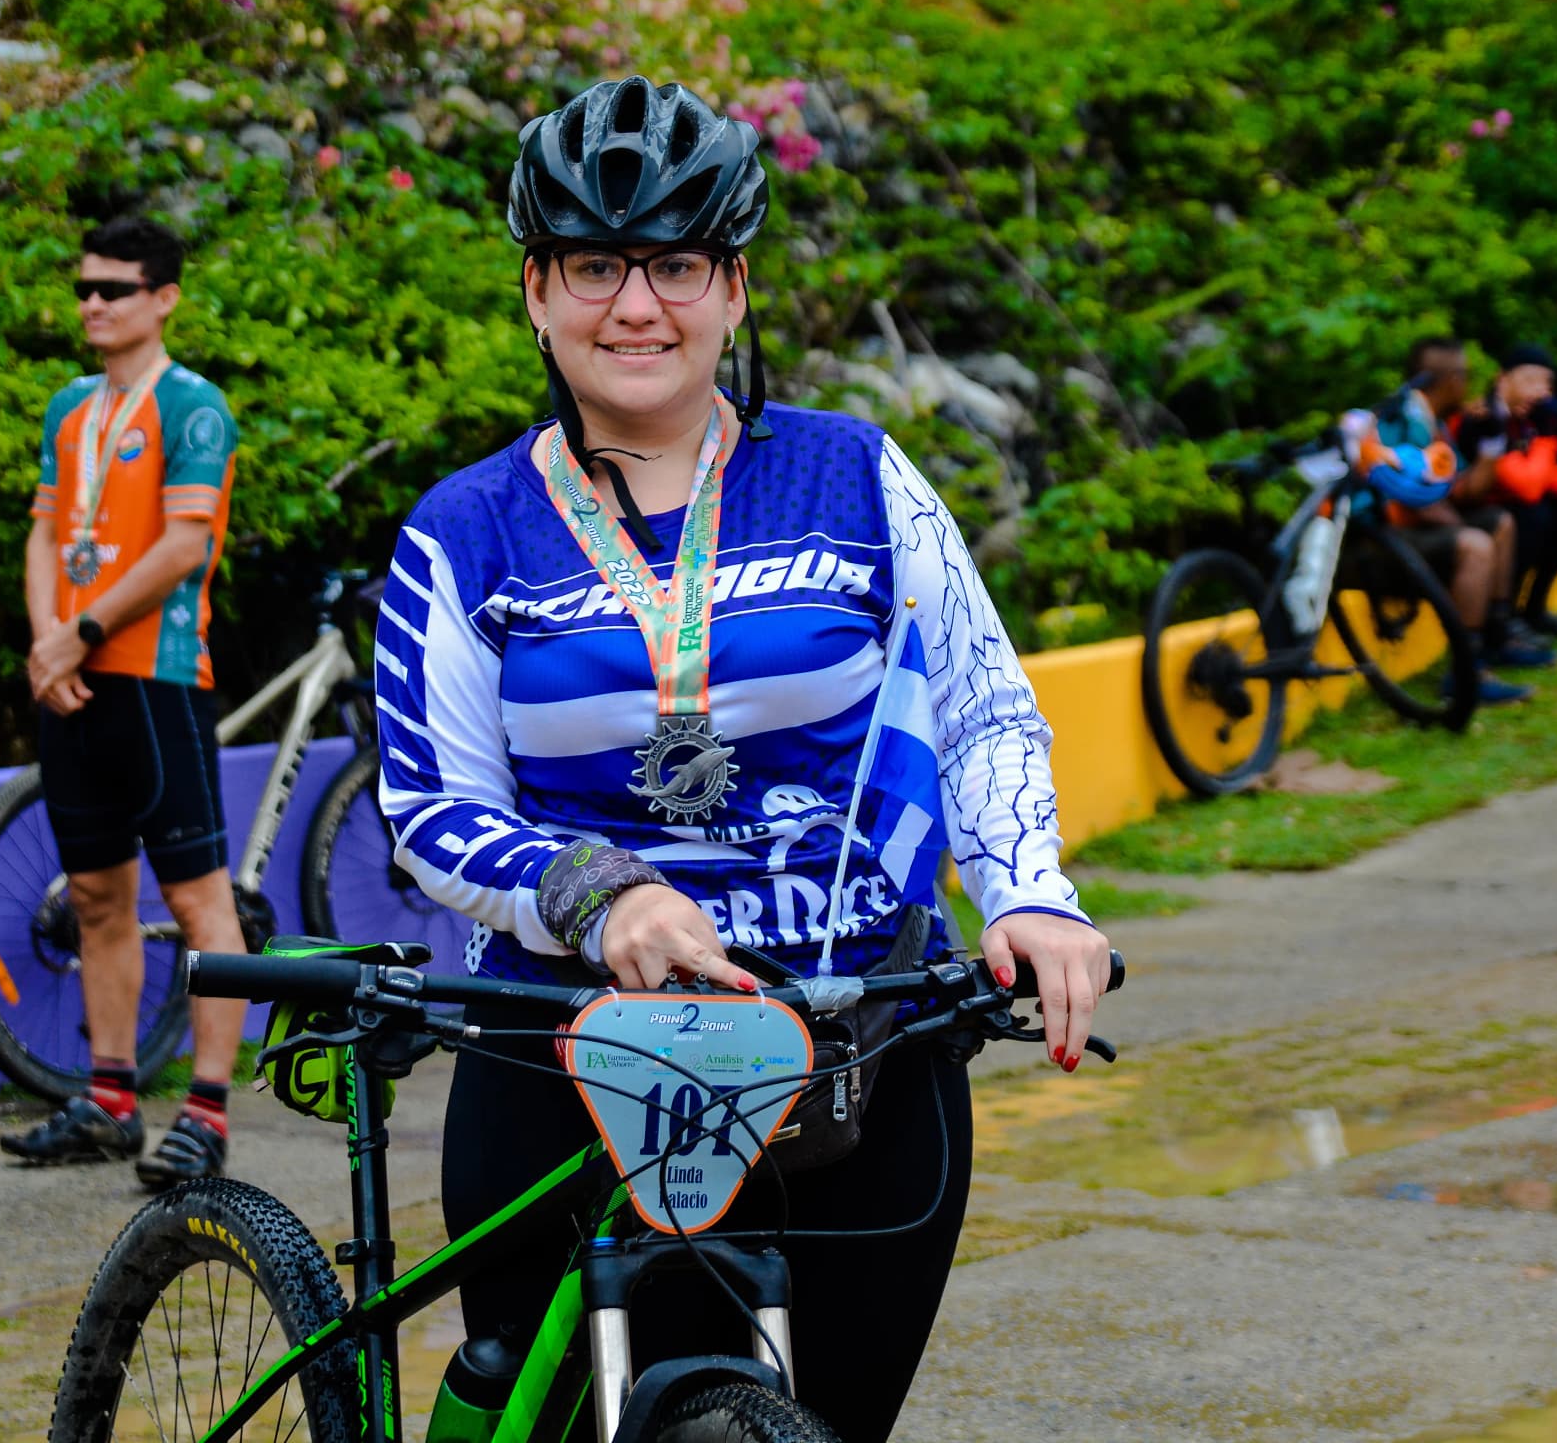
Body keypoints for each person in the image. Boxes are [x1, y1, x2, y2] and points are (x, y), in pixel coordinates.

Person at [372, 77, 1113, 1442]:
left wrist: (1028, 889)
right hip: (566, 1061)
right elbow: (429, 808)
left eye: (676, 264)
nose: (635, 304)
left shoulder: (858, 476)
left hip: (857, 1051)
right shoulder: (463, 529)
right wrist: (603, 896)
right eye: (595, 264)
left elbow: (983, 706)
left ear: (733, 287)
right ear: (537, 290)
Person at [0, 216, 251, 1187]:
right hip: (70, 681)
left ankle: (208, 1113)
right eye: (84, 288)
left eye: (115, 288)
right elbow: (44, 533)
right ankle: (110, 1101)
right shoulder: (69, 405)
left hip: (154, 679)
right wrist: (45, 643)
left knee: (198, 901)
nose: (93, 303)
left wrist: (82, 631)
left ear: (164, 298)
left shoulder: (194, 407)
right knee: (97, 895)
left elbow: (185, 547)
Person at [1354, 336, 1546, 704]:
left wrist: (1493, 439)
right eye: (1466, 377)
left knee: (1499, 523)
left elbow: (1463, 492)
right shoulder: (1401, 420)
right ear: (1451, 380)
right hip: (1378, 543)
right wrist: (1462, 528)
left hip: (1411, 534)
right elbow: (1409, 501)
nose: (1469, 386)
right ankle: (1465, 671)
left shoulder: (1433, 422)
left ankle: (1498, 636)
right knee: (1476, 545)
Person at [1451, 342, 1557, 636]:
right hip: (1471, 510)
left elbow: (1542, 476)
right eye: (1530, 381)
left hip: (1508, 502)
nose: (1541, 391)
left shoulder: (1526, 420)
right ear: (1502, 379)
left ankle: (1534, 608)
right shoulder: (1482, 417)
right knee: (1532, 515)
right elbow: (1526, 486)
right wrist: (1549, 436)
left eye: (1547, 384)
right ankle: (1503, 615)